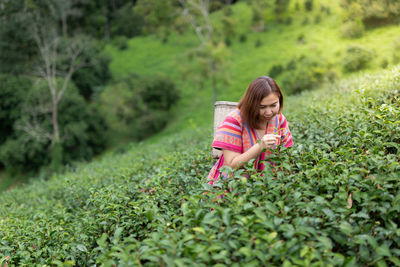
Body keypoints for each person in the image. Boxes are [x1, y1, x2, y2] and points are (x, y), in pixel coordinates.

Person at [207, 76, 293, 185]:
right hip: (233, 189)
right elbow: (232, 165)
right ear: (251, 104)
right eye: (262, 107)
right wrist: (260, 146)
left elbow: (287, 156)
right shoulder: (235, 121)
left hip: (267, 187)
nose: (268, 112)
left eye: (273, 105)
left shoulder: (279, 120)